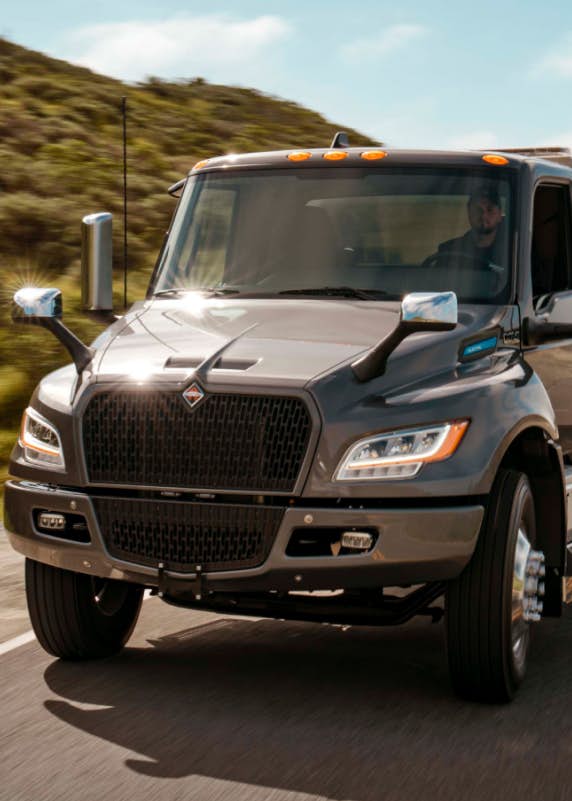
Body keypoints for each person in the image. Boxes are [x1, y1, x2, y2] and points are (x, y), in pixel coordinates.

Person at [430, 184, 506, 271]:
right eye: (478, 209)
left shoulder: (513, 251)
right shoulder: (448, 251)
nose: (483, 216)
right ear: (469, 212)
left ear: (500, 215)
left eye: (490, 210)